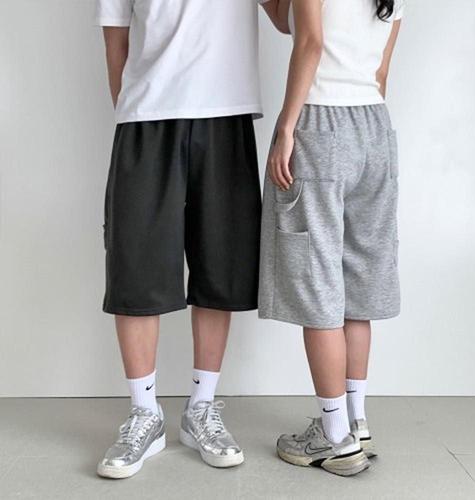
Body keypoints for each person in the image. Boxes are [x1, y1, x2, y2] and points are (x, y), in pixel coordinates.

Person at [94, 0, 274, 478]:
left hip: (227, 108)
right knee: (136, 265)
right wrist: (135, 106)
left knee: (221, 265)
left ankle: (201, 407)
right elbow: (115, 34)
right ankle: (144, 413)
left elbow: (284, 19)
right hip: (146, 114)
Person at [259, 0, 405, 476]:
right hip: (375, 125)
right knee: (358, 282)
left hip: (321, 121)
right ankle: (356, 421)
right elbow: (378, 70)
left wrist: (287, 127)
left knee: (316, 279)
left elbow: (311, 41)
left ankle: (335, 435)